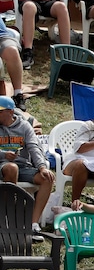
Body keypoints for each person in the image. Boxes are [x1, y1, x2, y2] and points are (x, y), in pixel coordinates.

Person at [0, 96, 53, 235]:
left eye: (0, 111)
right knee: (11, 168)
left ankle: (33, 223)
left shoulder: (24, 126)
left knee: (47, 178)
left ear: (10, 112)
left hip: (23, 167)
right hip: (2, 165)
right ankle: (7, 216)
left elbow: (34, 147)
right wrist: (4, 155)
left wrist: (42, 167)